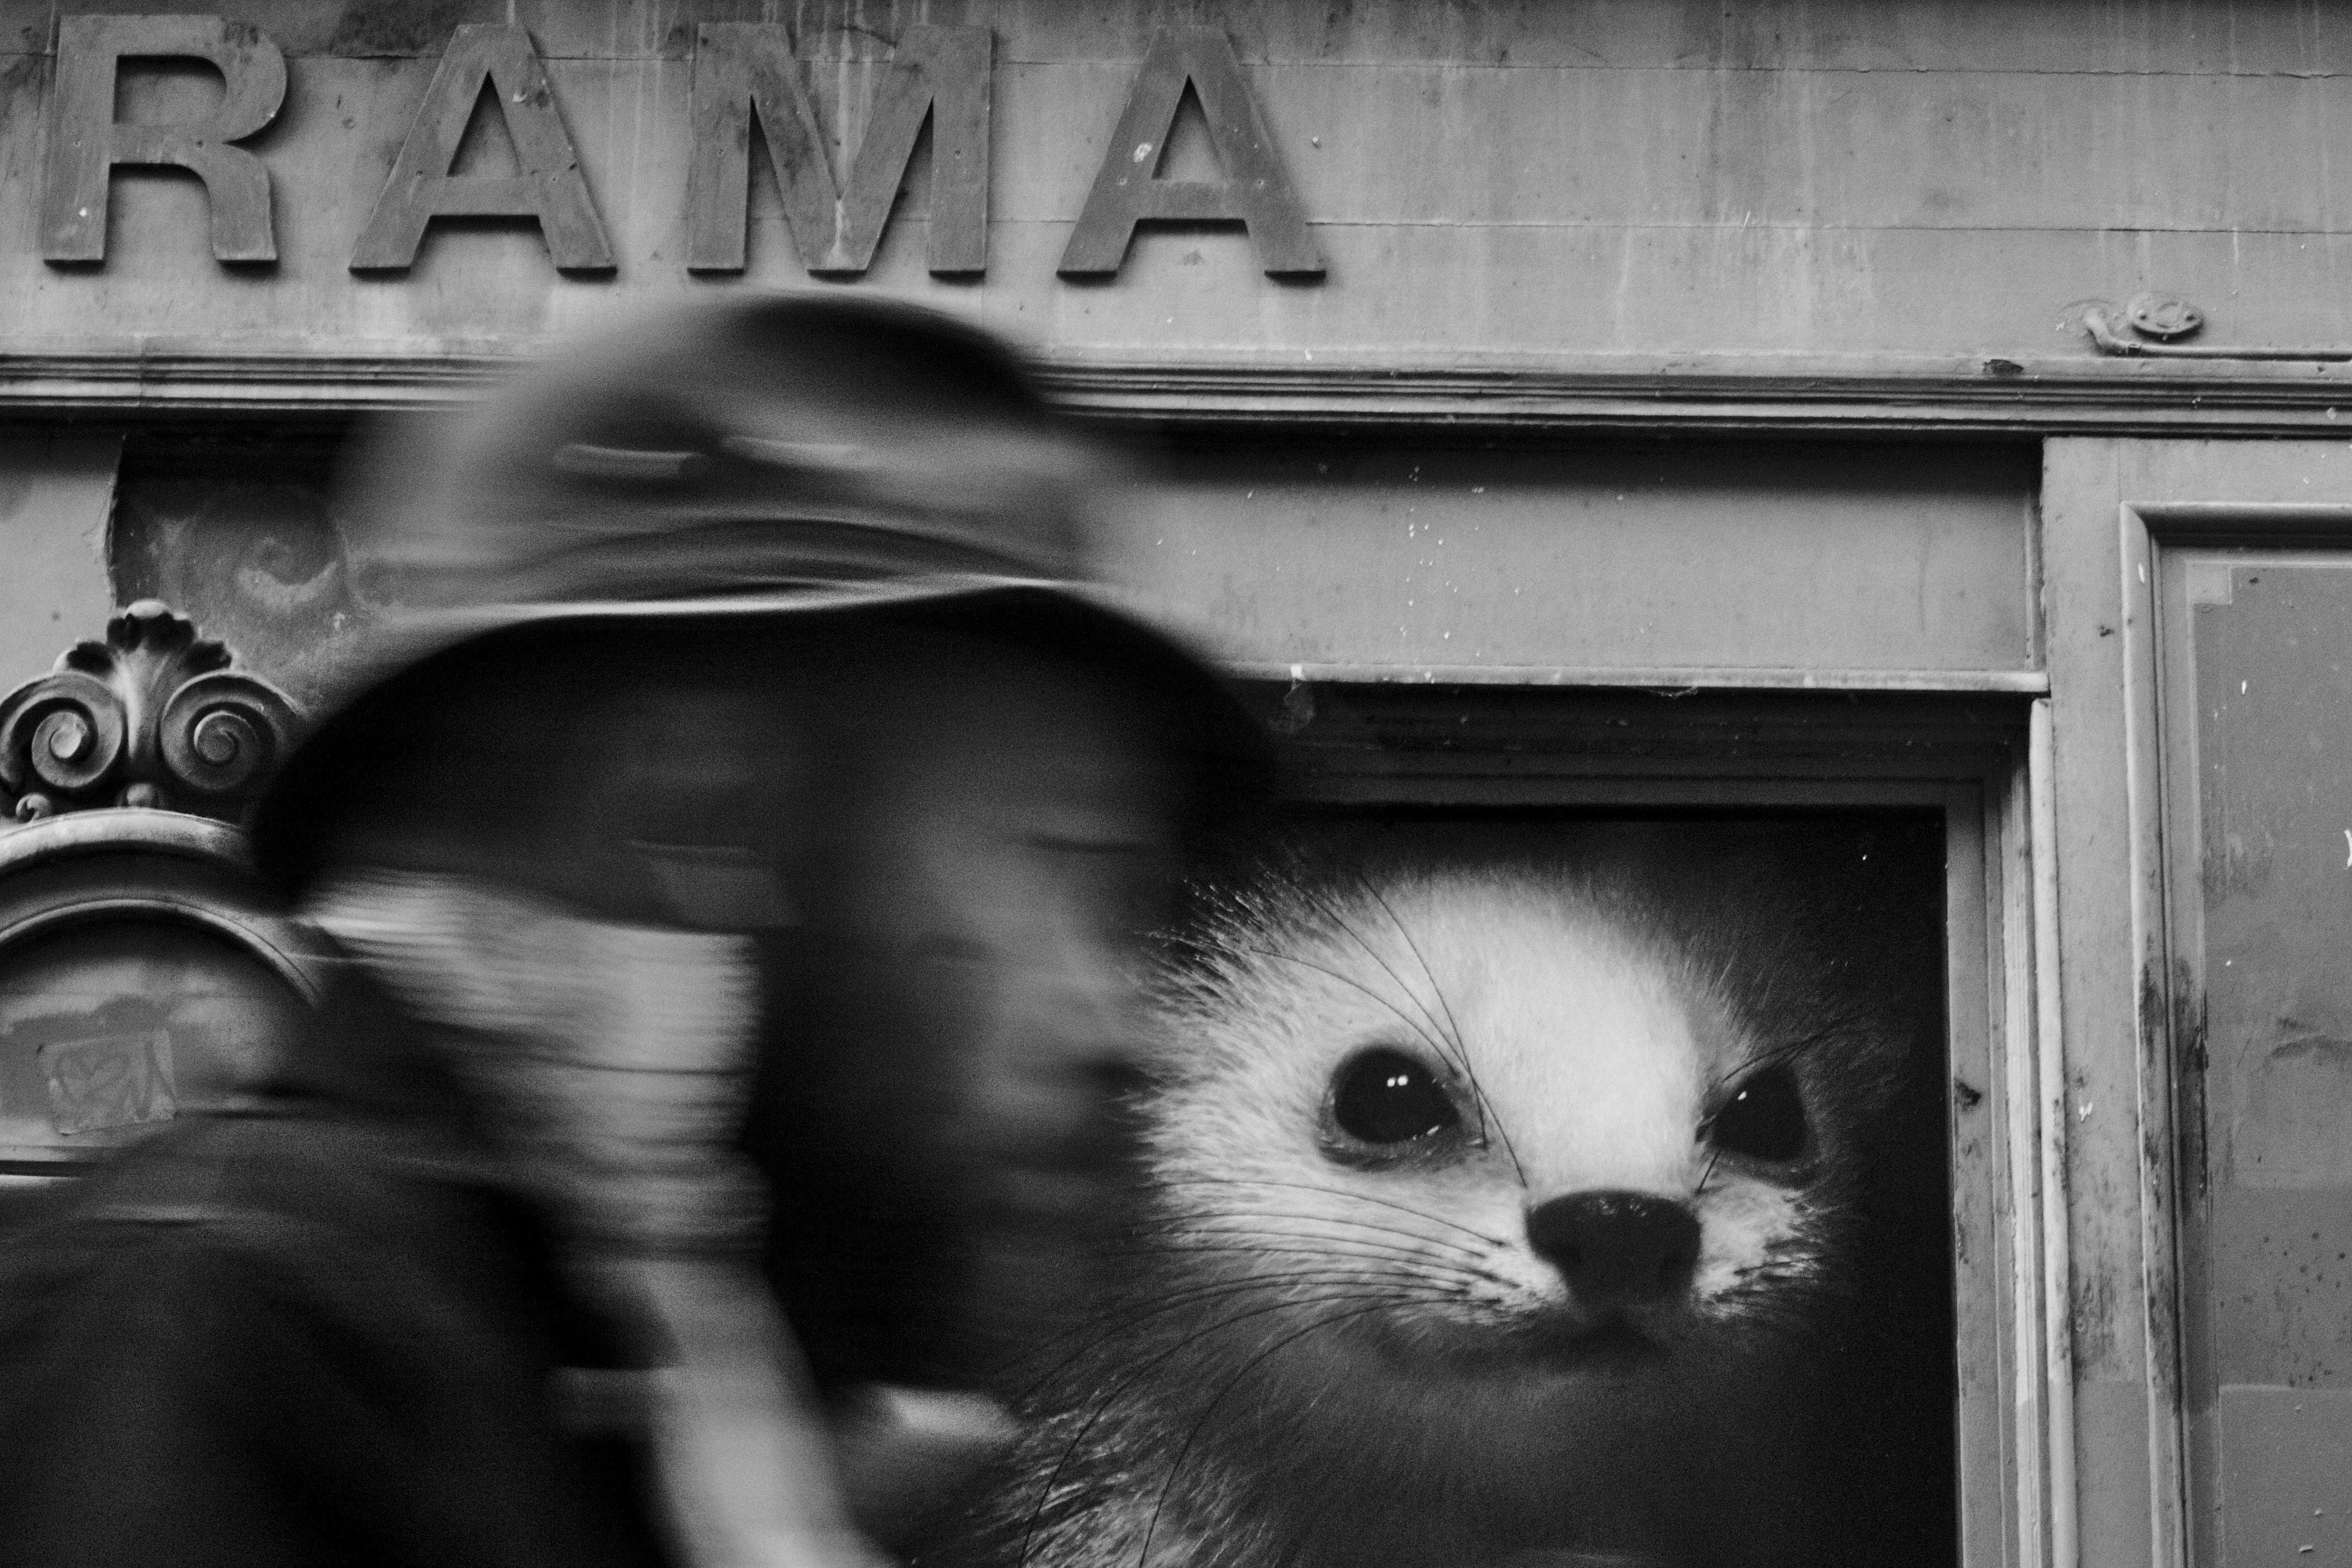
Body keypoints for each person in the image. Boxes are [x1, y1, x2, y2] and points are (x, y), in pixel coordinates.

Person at [0, 297, 1268, 1568]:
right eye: (1067, 866)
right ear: (684, 809)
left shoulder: (619, 1373)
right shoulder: (234, 1330)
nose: (1124, 1027)